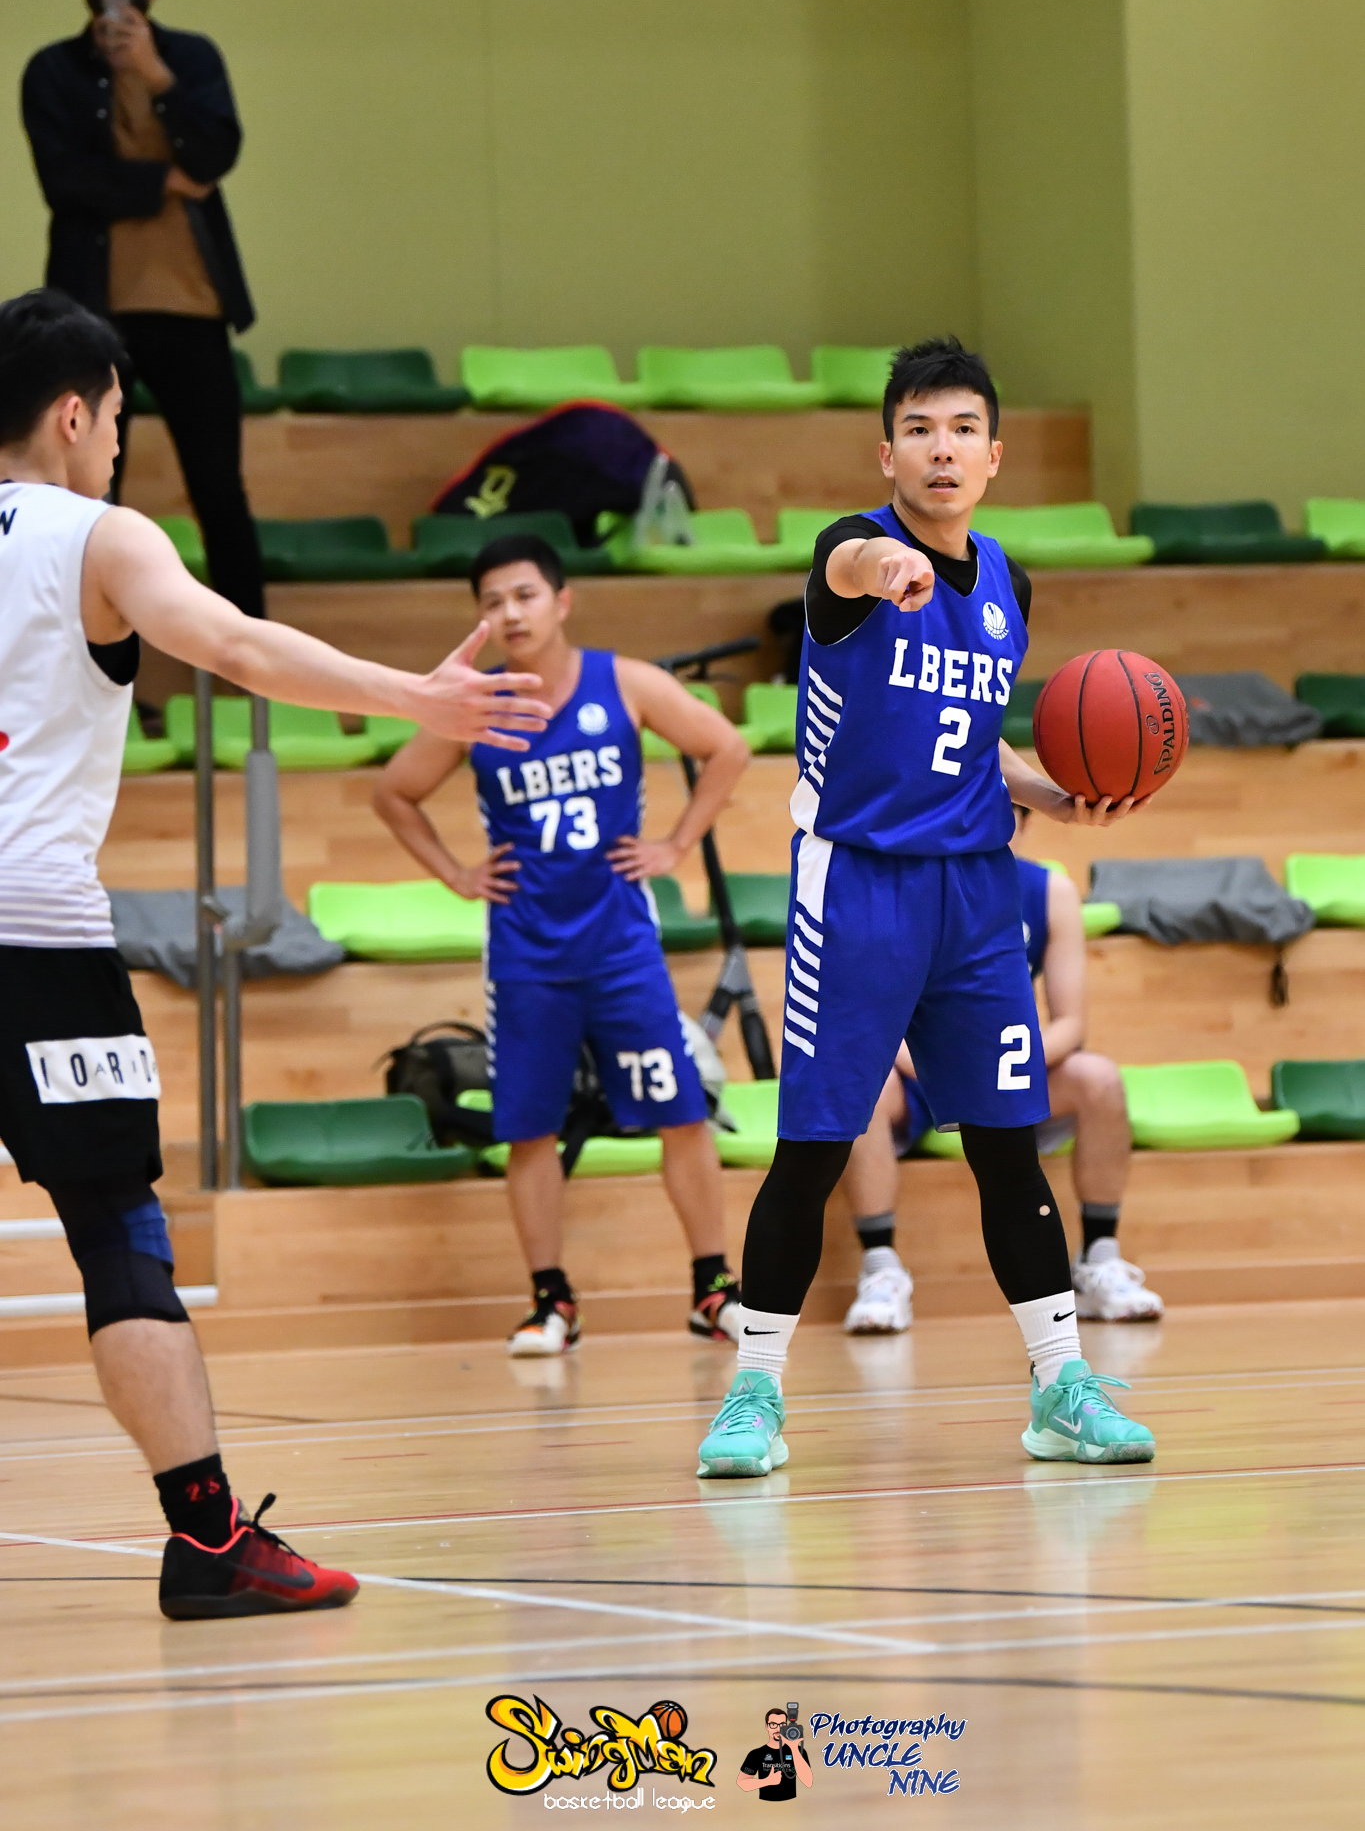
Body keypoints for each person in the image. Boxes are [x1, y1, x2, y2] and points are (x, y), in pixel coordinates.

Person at [0, 288, 550, 1617]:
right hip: (33, 935)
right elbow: (234, 643)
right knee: (118, 1235)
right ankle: (208, 1544)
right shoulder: (97, 535)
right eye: (117, 420)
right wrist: (417, 696)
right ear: (72, 414)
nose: (118, 444)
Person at [697, 336, 1156, 1481]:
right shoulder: (847, 558)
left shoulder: (1008, 584)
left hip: (976, 892)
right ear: (887, 452)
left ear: (994, 456)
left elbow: (973, 736)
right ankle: (753, 1391)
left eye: (961, 430)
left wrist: (1050, 792)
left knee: (1008, 1144)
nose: (940, 449)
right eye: (918, 429)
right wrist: (880, 564)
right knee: (813, 1146)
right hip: (857, 884)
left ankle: (1060, 1385)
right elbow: (851, 567)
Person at [373, 535, 753, 1355]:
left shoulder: (626, 683)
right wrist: (456, 874)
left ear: (561, 600)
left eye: (524, 595)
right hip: (526, 954)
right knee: (529, 1128)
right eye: (492, 601)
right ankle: (552, 1302)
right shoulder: (473, 705)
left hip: (621, 946)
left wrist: (676, 844)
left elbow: (727, 747)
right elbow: (394, 793)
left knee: (683, 1111)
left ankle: (713, 1288)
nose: (509, 613)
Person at [21, 0, 265, 618]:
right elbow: (65, 181)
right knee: (91, 497)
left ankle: (249, 662)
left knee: (219, 490)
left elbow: (216, 153)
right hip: (93, 317)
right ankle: (93, 653)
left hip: (193, 306)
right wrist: (166, 181)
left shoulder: (192, 59)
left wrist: (154, 74)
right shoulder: (52, 70)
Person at [840, 803, 1163, 1332]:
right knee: (862, 1089)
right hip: (917, 1068)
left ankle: (1099, 1260)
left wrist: (997, 1066)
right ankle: (881, 1269)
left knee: (1099, 1079)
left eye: (1002, 813)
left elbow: (1070, 1025)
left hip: (1006, 1064)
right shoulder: (900, 881)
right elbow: (874, 1016)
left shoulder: (1049, 891)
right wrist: (945, 1068)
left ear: (1025, 821)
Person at [737, 1709, 813, 1799]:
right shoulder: (756, 1754)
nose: (778, 1729)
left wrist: (793, 1748)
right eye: (773, 1724)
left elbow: (808, 1782)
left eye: (782, 1725)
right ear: (767, 1726)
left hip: (790, 1802)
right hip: (764, 1804)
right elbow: (742, 1783)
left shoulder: (799, 1750)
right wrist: (767, 1781)